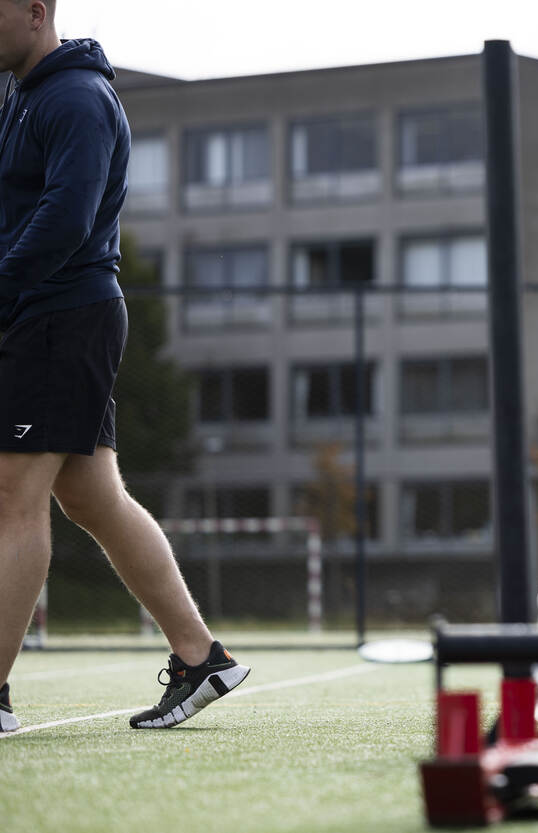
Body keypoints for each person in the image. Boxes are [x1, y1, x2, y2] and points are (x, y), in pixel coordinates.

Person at [0, 0, 248, 732]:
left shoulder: (75, 97)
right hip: (52, 315)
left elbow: (66, 218)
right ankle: (203, 657)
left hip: (59, 316)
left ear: (36, 11)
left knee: (14, 494)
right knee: (91, 496)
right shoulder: (27, 98)